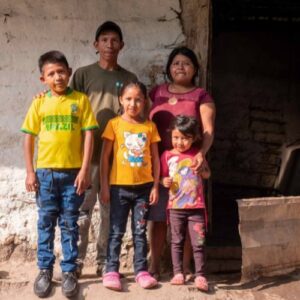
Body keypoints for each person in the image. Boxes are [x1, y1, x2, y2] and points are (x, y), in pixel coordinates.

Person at [21, 51, 98, 298]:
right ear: (42, 78)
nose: (58, 77)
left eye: (61, 71)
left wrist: (85, 169)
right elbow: (28, 138)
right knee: (45, 223)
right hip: (45, 175)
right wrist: (30, 172)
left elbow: (88, 135)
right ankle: (44, 270)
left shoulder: (81, 101)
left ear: (70, 72)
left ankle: (69, 271)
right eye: (51, 73)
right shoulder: (40, 102)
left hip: (73, 175)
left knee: (69, 223)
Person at [70, 21, 138, 276]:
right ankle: (75, 263)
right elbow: (68, 104)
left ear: (122, 45)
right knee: (82, 212)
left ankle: (105, 263)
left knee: (111, 213)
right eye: (104, 39)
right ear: (95, 45)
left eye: (114, 40)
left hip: (117, 158)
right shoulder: (83, 75)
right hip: (87, 157)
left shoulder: (129, 78)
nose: (109, 44)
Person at [148, 46, 216, 279]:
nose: (180, 67)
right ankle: (155, 265)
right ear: (169, 68)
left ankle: (185, 267)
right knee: (158, 218)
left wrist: (201, 155)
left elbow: (208, 130)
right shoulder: (156, 92)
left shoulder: (201, 96)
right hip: (161, 165)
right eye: (176, 63)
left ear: (195, 69)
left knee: (188, 219)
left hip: (188, 169)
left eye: (186, 63)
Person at [100, 82, 160, 291]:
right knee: (116, 231)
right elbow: (105, 158)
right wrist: (105, 186)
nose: (133, 104)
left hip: (143, 189)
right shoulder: (114, 124)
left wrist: (155, 187)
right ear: (120, 100)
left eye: (138, 99)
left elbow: (155, 158)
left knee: (139, 231)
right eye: (128, 99)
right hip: (118, 189)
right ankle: (111, 270)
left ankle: (141, 271)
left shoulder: (150, 127)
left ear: (145, 102)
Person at [161, 115, 210, 291]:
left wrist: (202, 166)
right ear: (171, 136)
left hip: (196, 207)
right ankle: (178, 273)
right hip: (175, 207)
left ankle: (200, 276)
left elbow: (207, 175)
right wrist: (163, 181)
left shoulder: (197, 155)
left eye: (184, 138)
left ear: (193, 138)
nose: (179, 142)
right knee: (176, 241)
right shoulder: (167, 155)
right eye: (176, 137)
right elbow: (162, 176)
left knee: (198, 242)